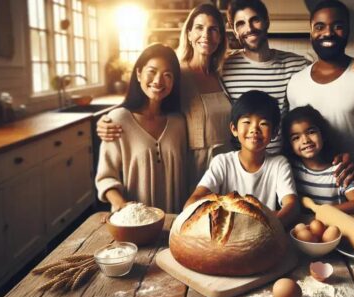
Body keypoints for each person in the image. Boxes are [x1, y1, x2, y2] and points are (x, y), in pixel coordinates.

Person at [98, 4, 233, 192]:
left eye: (213, 29)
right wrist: (107, 121)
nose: (206, 35)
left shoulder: (223, 72)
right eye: (199, 28)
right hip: (190, 167)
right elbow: (146, 101)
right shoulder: (174, 72)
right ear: (188, 34)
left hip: (226, 163)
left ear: (220, 37)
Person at [222, 0, 354, 154]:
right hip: (242, 165)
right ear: (234, 31)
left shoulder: (298, 65)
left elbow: (331, 71)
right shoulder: (225, 68)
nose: (249, 28)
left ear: (267, 21)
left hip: (284, 163)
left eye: (255, 20)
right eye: (240, 24)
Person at [287, 0, 354, 211]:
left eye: (337, 26)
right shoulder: (296, 81)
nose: (328, 33)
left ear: (347, 31)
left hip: (348, 189)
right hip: (304, 191)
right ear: (310, 32)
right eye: (320, 26)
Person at [95, 43, 187, 213]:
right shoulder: (117, 120)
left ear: (174, 82)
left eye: (167, 75)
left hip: (176, 222)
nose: (158, 81)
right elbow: (106, 177)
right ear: (138, 74)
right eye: (151, 72)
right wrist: (120, 204)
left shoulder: (179, 122)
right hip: (135, 222)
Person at [185, 90, 299, 227]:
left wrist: (271, 225)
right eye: (247, 122)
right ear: (234, 129)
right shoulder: (222, 162)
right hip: (226, 232)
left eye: (263, 123)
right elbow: (192, 203)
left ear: (274, 132)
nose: (254, 129)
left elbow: (292, 206)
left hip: (265, 232)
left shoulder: (279, 164)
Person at [281, 105, 354, 213]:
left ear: (323, 134)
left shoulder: (340, 171)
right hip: (301, 228)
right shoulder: (290, 169)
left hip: (333, 227)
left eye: (311, 132)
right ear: (290, 145)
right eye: (296, 138)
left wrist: (323, 212)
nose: (305, 140)